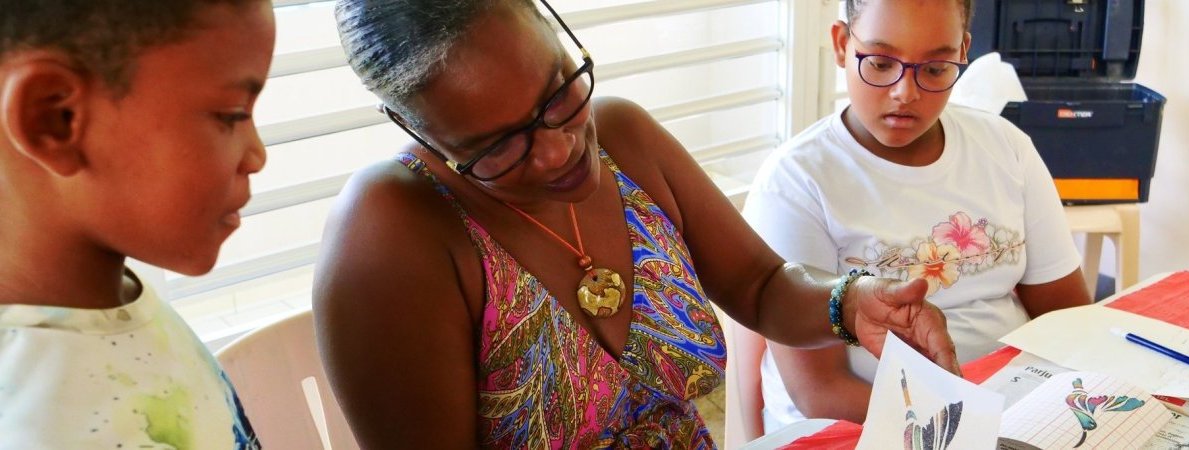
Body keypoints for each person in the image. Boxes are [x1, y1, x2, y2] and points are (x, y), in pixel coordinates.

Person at [314, 0, 961, 448]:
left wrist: (848, 303)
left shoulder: (623, 137)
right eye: (496, 145)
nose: (557, 149)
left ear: (554, 27)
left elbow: (759, 286)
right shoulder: (393, 233)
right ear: (415, 130)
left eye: (558, 91)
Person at [741, 0, 1093, 433]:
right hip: (862, 423)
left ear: (963, 51)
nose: (904, 92)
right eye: (881, 62)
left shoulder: (1006, 148)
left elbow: (1069, 319)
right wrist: (972, 428)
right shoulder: (798, 180)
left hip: (1010, 409)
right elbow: (820, 391)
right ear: (840, 44)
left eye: (935, 68)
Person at [0, 1, 274, 448]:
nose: (257, 155)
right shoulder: (39, 422)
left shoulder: (109, 304)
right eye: (232, 115)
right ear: (54, 118)